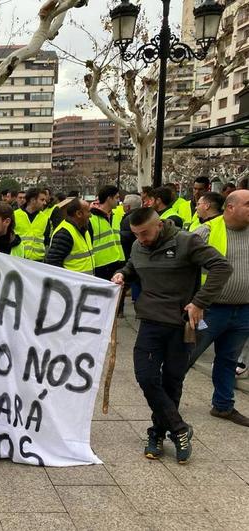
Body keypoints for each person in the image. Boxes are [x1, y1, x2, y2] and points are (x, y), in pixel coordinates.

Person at [112, 208, 232, 463]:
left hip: (180, 325)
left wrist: (199, 302)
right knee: (146, 377)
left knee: (172, 381)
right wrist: (124, 273)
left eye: (145, 233)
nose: (141, 239)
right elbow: (135, 265)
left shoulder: (186, 241)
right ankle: (179, 429)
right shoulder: (137, 245)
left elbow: (222, 267)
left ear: (159, 225)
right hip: (150, 322)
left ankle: (156, 432)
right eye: (136, 235)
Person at [188, 190, 249, 425]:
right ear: (230, 207)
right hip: (210, 310)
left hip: (243, 309)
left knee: (228, 360)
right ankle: (167, 406)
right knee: (186, 357)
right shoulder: (207, 231)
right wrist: (194, 302)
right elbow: (182, 264)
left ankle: (223, 406)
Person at [45, 198, 94, 275]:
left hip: (84, 284)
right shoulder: (64, 233)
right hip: (74, 285)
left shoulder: (84, 230)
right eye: (88, 212)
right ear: (79, 214)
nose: (90, 215)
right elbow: (53, 264)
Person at [90, 185, 125, 280]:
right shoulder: (91, 219)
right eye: (116, 197)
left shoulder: (115, 216)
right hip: (101, 266)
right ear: (109, 198)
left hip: (118, 263)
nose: (118, 201)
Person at [14, 188, 51, 261]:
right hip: (18, 260)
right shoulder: (14, 215)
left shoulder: (45, 218)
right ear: (33, 200)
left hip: (38, 262)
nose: (45, 203)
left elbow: (46, 241)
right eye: (42, 200)